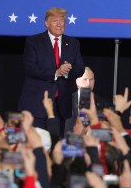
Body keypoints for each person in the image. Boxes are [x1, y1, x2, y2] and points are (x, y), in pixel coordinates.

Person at [18, 7, 84, 135]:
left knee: (56, 145)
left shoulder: (73, 43)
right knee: (37, 143)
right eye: (55, 21)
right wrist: (56, 73)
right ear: (46, 23)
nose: (59, 25)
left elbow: (80, 68)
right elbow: (30, 68)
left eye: (62, 21)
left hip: (61, 105)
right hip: (37, 105)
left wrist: (67, 72)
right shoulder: (34, 41)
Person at [63, 66, 108, 135]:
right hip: (71, 141)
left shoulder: (102, 102)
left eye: (91, 79)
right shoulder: (66, 100)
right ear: (77, 81)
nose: (88, 83)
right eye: (85, 79)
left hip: (93, 141)